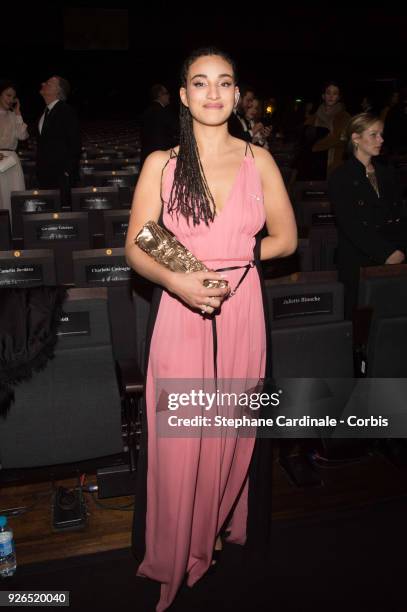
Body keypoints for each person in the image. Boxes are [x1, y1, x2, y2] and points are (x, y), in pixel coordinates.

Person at [125, 47, 297, 611]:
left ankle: (216, 527)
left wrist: (234, 261)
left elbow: (286, 240)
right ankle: (178, 550)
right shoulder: (162, 164)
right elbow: (138, 246)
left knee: (228, 431)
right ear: (183, 95)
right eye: (200, 83)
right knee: (181, 437)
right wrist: (181, 282)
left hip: (242, 307)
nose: (213, 93)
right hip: (180, 310)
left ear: (237, 92)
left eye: (224, 82)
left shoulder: (259, 159)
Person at [328, 112, 407, 319]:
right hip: (359, 262)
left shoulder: (387, 173)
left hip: (394, 254)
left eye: (381, 134)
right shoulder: (341, 176)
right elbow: (351, 225)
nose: (380, 140)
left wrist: (399, 250)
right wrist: (386, 253)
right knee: (361, 323)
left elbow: (399, 216)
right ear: (356, 138)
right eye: (374, 135)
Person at [36, 76, 81, 194]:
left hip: (60, 178)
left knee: (60, 210)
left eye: (48, 83)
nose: (43, 83)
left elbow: (75, 144)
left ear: (58, 91)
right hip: (45, 175)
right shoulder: (45, 111)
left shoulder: (66, 111)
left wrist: (66, 172)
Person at [298, 81, 351, 179]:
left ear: (339, 97)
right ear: (323, 96)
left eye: (335, 93)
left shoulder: (344, 116)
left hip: (335, 161)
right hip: (314, 163)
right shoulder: (315, 115)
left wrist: (315, 146)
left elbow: (342, 139)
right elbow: (304, 136)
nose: (331, 96)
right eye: (328, 93)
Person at [0, 80, 29, 217]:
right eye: (8, 95)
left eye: (13, 97)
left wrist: (18, 113)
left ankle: (13, 233)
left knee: (12, 198)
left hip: (11, 162)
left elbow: (22, 136)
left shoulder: (13, 116)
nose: (11, 100)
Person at [140, 83, 179, 164]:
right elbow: (176, 130)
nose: (169, 96)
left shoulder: (146, 112)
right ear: (160, 95)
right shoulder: (164, 112)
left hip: (148, 157)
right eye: (167, 93)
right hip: (161, 157)